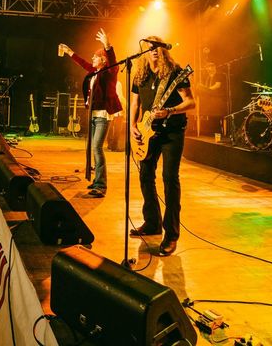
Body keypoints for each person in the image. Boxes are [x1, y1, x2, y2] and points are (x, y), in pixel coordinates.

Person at [129, 37, 195, 257]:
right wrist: (132, 126)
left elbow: (191, 102)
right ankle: (152, 222)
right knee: (145, 174)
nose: (154, 51)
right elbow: (135, 103)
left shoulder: (176, 73)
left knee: (169, 178)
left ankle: (171, 235)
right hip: (147, 133)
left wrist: (169, 111)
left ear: (164, 51)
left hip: (172, 132)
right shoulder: (140, 74)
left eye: (157, 48)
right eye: (149, 48)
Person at [59, 28, 122, 197]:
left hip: (102, 116)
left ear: (103, 59)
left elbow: (113, 62)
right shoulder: (94, 73)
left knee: (97, 148)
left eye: (95, 56)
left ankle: (101, 185)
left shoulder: (109, 73)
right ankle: (96, 181)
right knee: (92, 148)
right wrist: (70, 52)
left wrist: (107, 46)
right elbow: (83, 63)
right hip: (93, 115)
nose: (92, 59)